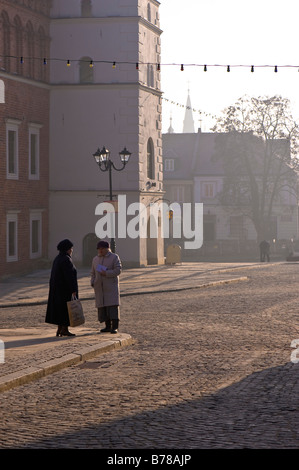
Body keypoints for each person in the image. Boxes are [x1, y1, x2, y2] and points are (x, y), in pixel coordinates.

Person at [45, 239, 78, 337]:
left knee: (60, 309)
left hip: (57, 289)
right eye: (71, 248)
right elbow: (69, 276)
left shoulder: (58, 258)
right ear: (68, 249)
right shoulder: (66, 259)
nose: (72, 250)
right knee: (66, 309)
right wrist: (73, 290)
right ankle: (64, 329)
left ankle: (60, 329)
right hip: (65, 290)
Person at [91, 240, 122, 334]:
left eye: (102, 249)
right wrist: (92, 282)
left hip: (111, 287)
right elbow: (92, 272)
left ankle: (115, 327)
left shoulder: (114, 257)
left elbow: (118, 270)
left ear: (107, 249)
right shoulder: (95, 259)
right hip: (99, 288)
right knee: (103, 307)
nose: (100, 250)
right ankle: (107, 326)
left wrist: (107, 273)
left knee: (112, 307)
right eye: (99, 249)